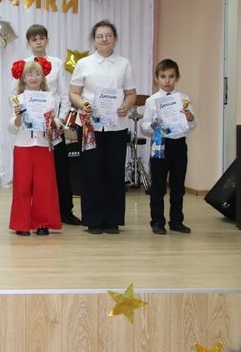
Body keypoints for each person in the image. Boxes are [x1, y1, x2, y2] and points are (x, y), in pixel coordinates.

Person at [68, 19, 137, 235]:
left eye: (108, 35)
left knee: (114, 171)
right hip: (90, 126)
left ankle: (113, 220)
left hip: (117, 127)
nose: (104, 39)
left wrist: (126, 106)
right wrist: (84, 105)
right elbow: (74, 93)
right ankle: (93, 220)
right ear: (94, 40)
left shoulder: (124, 64)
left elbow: (131, 93)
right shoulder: (84, 63)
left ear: (114, 38)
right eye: (100, 36)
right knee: (91, 171)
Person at [23, 24, 80, 225]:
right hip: (32, 128)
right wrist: (25, 116)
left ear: (47, 40)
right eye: (34, 39)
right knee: (34, 173)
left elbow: (64, 95)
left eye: (41, 38)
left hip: (54, 126)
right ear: (28, 43)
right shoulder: (23, 64)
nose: (38, 42)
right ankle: (35, 212)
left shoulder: (57, 63)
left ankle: (65, 211)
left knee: (60, 169)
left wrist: (60, 120)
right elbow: (16, 94)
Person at [140, 58, 196, 234]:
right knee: (158, 186)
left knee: (178, 185)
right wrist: (153, 125)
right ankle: (157, 221)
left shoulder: (184, 98)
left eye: (171, 76)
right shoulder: (151, 101)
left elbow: (192, 125)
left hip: (178, 144)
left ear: (177, 77)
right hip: (160, 144)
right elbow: (144, 125)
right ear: (156, 78)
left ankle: (176, 221)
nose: (167, 81)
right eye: (163, 76)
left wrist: (190, 117)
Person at [7, 58, 62, 236]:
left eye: (37, 74)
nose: (33, 77)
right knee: (22, 186)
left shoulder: (50, 99)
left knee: (44, 186)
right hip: (23, 146)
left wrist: (52, 120)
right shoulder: (18, 99)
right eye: (29, 74)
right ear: (23, 78)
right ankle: (21, 224)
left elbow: (57, 123)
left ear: (42, 77)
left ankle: (42, 223)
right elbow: (12, 127)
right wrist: (18, 117)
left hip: (44, 146)